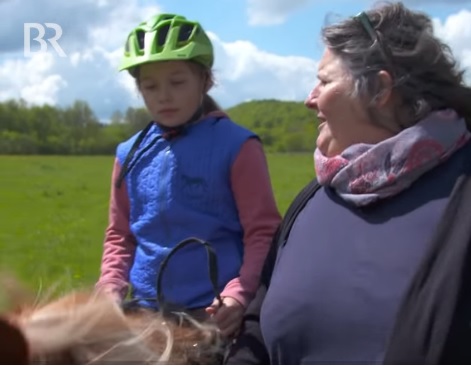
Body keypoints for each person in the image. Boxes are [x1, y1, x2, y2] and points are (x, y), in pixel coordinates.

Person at [225, 2, 471, 364]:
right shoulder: (315, 196)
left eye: (324, 81)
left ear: (379, 89)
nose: (310, 99)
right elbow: (258, 320)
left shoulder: (460, 197)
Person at [94, 13, 281, 338]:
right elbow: (120, 235)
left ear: (205, 81)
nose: (163, 95)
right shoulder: (128, 153)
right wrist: (110, 284)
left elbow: (262, 232)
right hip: (144, 316)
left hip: (214, 317)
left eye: (177, 82)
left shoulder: (237, 145)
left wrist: (240, 293)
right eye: (150, 86)